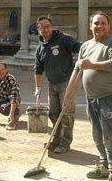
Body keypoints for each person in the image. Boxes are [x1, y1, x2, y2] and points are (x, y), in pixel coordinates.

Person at [64, 11, 112, 181]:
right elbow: (77, 69)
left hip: (110, 96)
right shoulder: (86, 46)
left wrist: (92, 65)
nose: (100, 26)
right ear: (90, 26)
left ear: (108, 25)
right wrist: (68, 93)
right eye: (96, 23)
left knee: (110, 136)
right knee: (97, 135)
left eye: (103, 23)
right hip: (91, 98)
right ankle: (104, 165)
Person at [34, 16, 82, 154]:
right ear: (38, 30)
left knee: (66, 113)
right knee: (53, 113)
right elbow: (37, 69)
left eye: (48, 26)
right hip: (52, 84)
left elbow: (78, 47)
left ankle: (65, 142)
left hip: (67, 82)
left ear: (52, 26)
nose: (45, 29)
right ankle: (56, 139)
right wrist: (37, 88)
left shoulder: (62, 39)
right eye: (42, 27)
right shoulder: (40, 48)